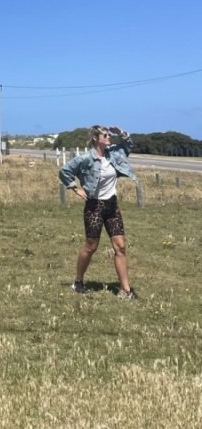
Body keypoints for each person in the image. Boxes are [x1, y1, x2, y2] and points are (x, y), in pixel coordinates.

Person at [59, 125, 139, 299]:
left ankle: (126, 290)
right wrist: (74, 188)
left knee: (121, 246)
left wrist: (122, 134)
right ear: (96, 138)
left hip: (111, 206)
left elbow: (128, 146)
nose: (109, 137)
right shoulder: (86, 158)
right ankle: (78, 281)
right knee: (91, 246)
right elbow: (65, 171)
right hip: (94, 206)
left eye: (109, 135)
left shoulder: (113, 153)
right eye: (105, 135)